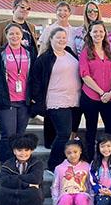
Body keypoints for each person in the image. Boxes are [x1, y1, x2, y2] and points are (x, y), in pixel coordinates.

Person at [30, 27, 81, 172]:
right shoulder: (44, 58)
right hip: (56, 100)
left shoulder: (70, 52)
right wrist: (37, 100)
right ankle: (53, 165)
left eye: (64, 37)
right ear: (50, 39)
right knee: (64, 133)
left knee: (70, 132)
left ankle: (66, 162)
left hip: (75, 99)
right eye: (58, 37)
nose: (62, 40)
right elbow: (35, 81)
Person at [0, 23, 35, 163]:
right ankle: (6, 164)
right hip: (6, 100)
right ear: (6, 35)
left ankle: (19, 163)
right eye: (11, 34)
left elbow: (35, 75)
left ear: (22, 35)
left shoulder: (29, 52)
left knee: (20, 136)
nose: (15, 36)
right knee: (8, 135)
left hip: (24, 101)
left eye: (17, 33)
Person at [78, 21, 111, 161]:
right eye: (95, 31)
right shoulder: (85, 52)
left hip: (109, 97)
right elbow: (85, 75)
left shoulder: (110, 52)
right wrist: (101, 92)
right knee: (91, 130)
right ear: (90, 33)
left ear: (105, 33)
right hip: (91, 97)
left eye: (101, 31)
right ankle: (90, 159)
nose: (98, 34)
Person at [51, 140, 94, 205]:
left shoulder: (86, 166)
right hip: (65, 196)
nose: (72, 155)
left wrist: (92, 199)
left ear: (80, 151)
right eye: (69, 153)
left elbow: (90, 183)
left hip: (82, 194)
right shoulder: (59, 168)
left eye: (75, 152)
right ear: (65, 154)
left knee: (81, 198)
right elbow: (55, 186)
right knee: (65, 198)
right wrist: (55, 201)